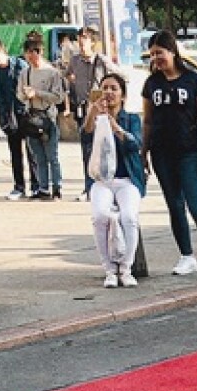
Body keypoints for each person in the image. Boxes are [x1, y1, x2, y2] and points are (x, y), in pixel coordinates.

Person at [141, 31, 197, 279]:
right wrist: (144, 152)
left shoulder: (194, 80)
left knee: (196, 206)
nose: (157, 58)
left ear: (173, 52)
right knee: (174, 206)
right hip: (161, 152)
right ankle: (186, 255)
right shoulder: (152, 84)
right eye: (153, 54)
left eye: (160, 52)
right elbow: (147, 121)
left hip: (189, 151)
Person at [82, 71, 144, 287]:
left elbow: (135, 144)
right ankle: (109, 270)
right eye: (104, 88)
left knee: (129, 217)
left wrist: (116, 127)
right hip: (102, 180)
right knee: (100, 217)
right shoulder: (96, 117)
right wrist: (94, 113)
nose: (108, 92)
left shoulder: (132, 119)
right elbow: (85, 136)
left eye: (113, 89)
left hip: (127, 179)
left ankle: (126, 269)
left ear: (123, 96)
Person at [14, 33, 65, 199]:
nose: (30, 56)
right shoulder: (25, 73)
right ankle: (42, 187)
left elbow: (58, 97)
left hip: (48, 116)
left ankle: (57, 186)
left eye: (33, 52)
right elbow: (19, 95)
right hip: (31, 117)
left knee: (52, 155)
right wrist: (26, 95)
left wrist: (38, 93)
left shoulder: (52, 73)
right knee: (38, 156)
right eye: (27, 52)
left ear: (40, 51)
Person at [63, 25, 110, 197]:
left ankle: (105, 185)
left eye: (85, 38)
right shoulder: (74, 61)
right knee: (87, 149)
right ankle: (89, 187)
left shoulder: (102, 60)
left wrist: (105, 93)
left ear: (93, 41)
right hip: (83, 110)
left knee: (104, 150)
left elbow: (121, 78)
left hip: (101, 112)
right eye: (80, 38)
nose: (82, 41)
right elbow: (67, 76)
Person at [0, 39, 28, 198]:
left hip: (24, 113)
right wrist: (2, 118)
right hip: (9, 116)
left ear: (3, 51)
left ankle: (37, 186)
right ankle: (19, 186)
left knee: (32, 152)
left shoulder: (20, 65)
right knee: (15, 152)